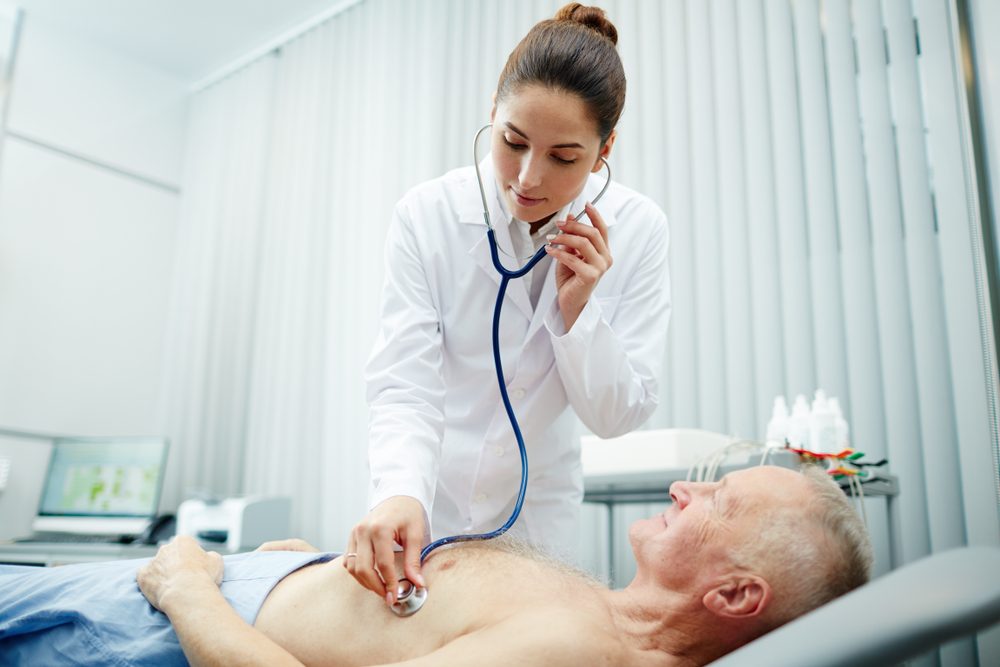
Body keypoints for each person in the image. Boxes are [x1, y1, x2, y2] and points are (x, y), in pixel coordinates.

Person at [356, 2, 671, 607]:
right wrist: (399, 490)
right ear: (492, 114)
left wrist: (580, 313)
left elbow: (618, 415)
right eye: (513, 141)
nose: (528, 178)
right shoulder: (427, 215)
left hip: (537, 518)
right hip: (426, 498)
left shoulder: (640, 228)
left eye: (564, 156)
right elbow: (404, 384)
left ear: (604, 150)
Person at [0, 465, 873, 666]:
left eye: (719, 500)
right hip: (218, 591)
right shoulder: (590, 610)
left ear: (734, 593)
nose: (688, 487)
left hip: (152, 627)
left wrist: (188, 585)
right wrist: (298, 565)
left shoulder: (578, 648)